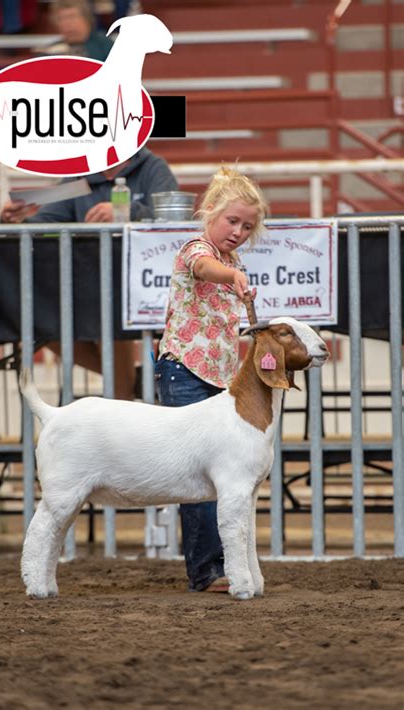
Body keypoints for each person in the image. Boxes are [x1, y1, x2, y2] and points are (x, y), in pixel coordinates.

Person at [154, 166, 268, 593]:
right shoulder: (197, 249)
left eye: (247, 226)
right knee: (197, 477)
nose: (238, 231)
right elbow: (203, 268)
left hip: (217, 380)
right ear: (210, 213)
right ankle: (206, 570)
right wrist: (232, 277)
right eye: (232, 221)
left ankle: (215, 565)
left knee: (214, 476)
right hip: (184, 370)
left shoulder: (233, 261)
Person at [0, 146, 178, 400]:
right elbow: (44, 223)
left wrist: (130, 211)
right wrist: (12, 220)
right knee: (40, 321)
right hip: (85, 287)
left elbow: (172, 219)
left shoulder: (154, 168)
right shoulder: (76, 176)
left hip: (136, 287)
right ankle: (131, 380)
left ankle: (124, 394)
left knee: (114, 321)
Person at [44, 0, 114, 61]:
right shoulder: (51, 51)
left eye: (71, 17)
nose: (67, 23)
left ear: (86, 18)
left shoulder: (106, 46)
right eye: (61, 19)